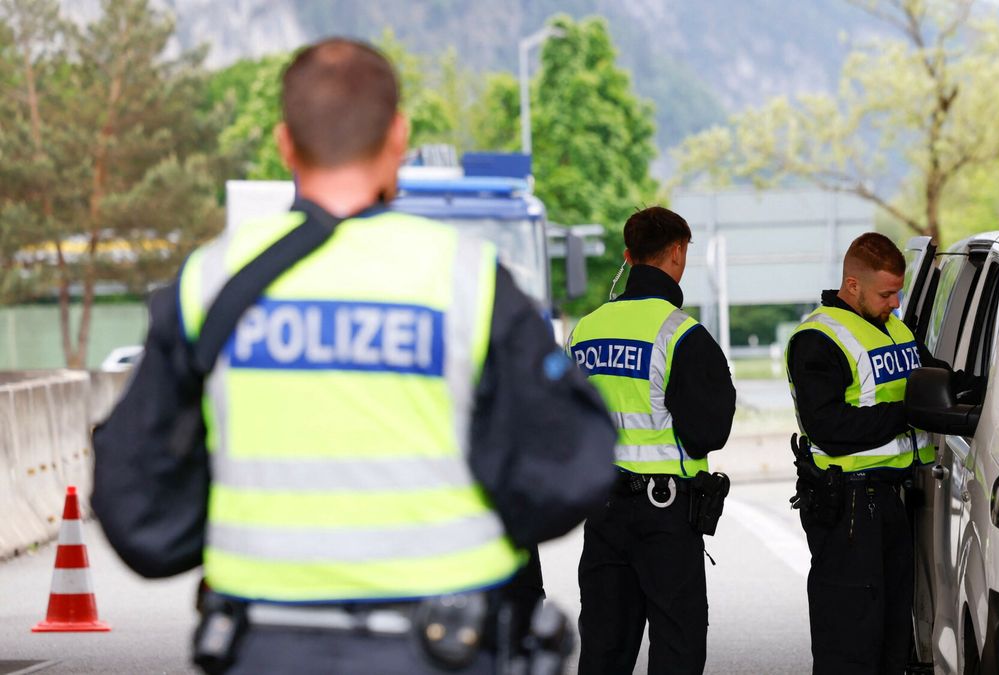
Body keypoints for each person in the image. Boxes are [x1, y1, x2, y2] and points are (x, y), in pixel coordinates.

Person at [92, 38, 616, 674]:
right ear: (398, 136)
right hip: (442, 647)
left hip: (262, 646)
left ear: (286, 144)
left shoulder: (209, 281)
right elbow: (572, 469)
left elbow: (135, 502)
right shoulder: (467, 281)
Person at [785, 232, 969, 675]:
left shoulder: (896, 328)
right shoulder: (818, 339)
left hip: (892, 500)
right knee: (850, 642)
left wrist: (981, 389)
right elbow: (827, 427)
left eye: (898, 293)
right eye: (886, 293)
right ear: (852, 286)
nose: (894, 302)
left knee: (892, 637)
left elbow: (938, 381)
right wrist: (907, 413)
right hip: (848, 506)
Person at [568, 206, 736, 675]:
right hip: (665, 514)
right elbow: (708, 433)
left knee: (603, 645)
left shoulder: (584, 331)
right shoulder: (681, 334)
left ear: (628, 256)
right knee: (676, 648)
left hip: (602, 512)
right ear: (678, 252)